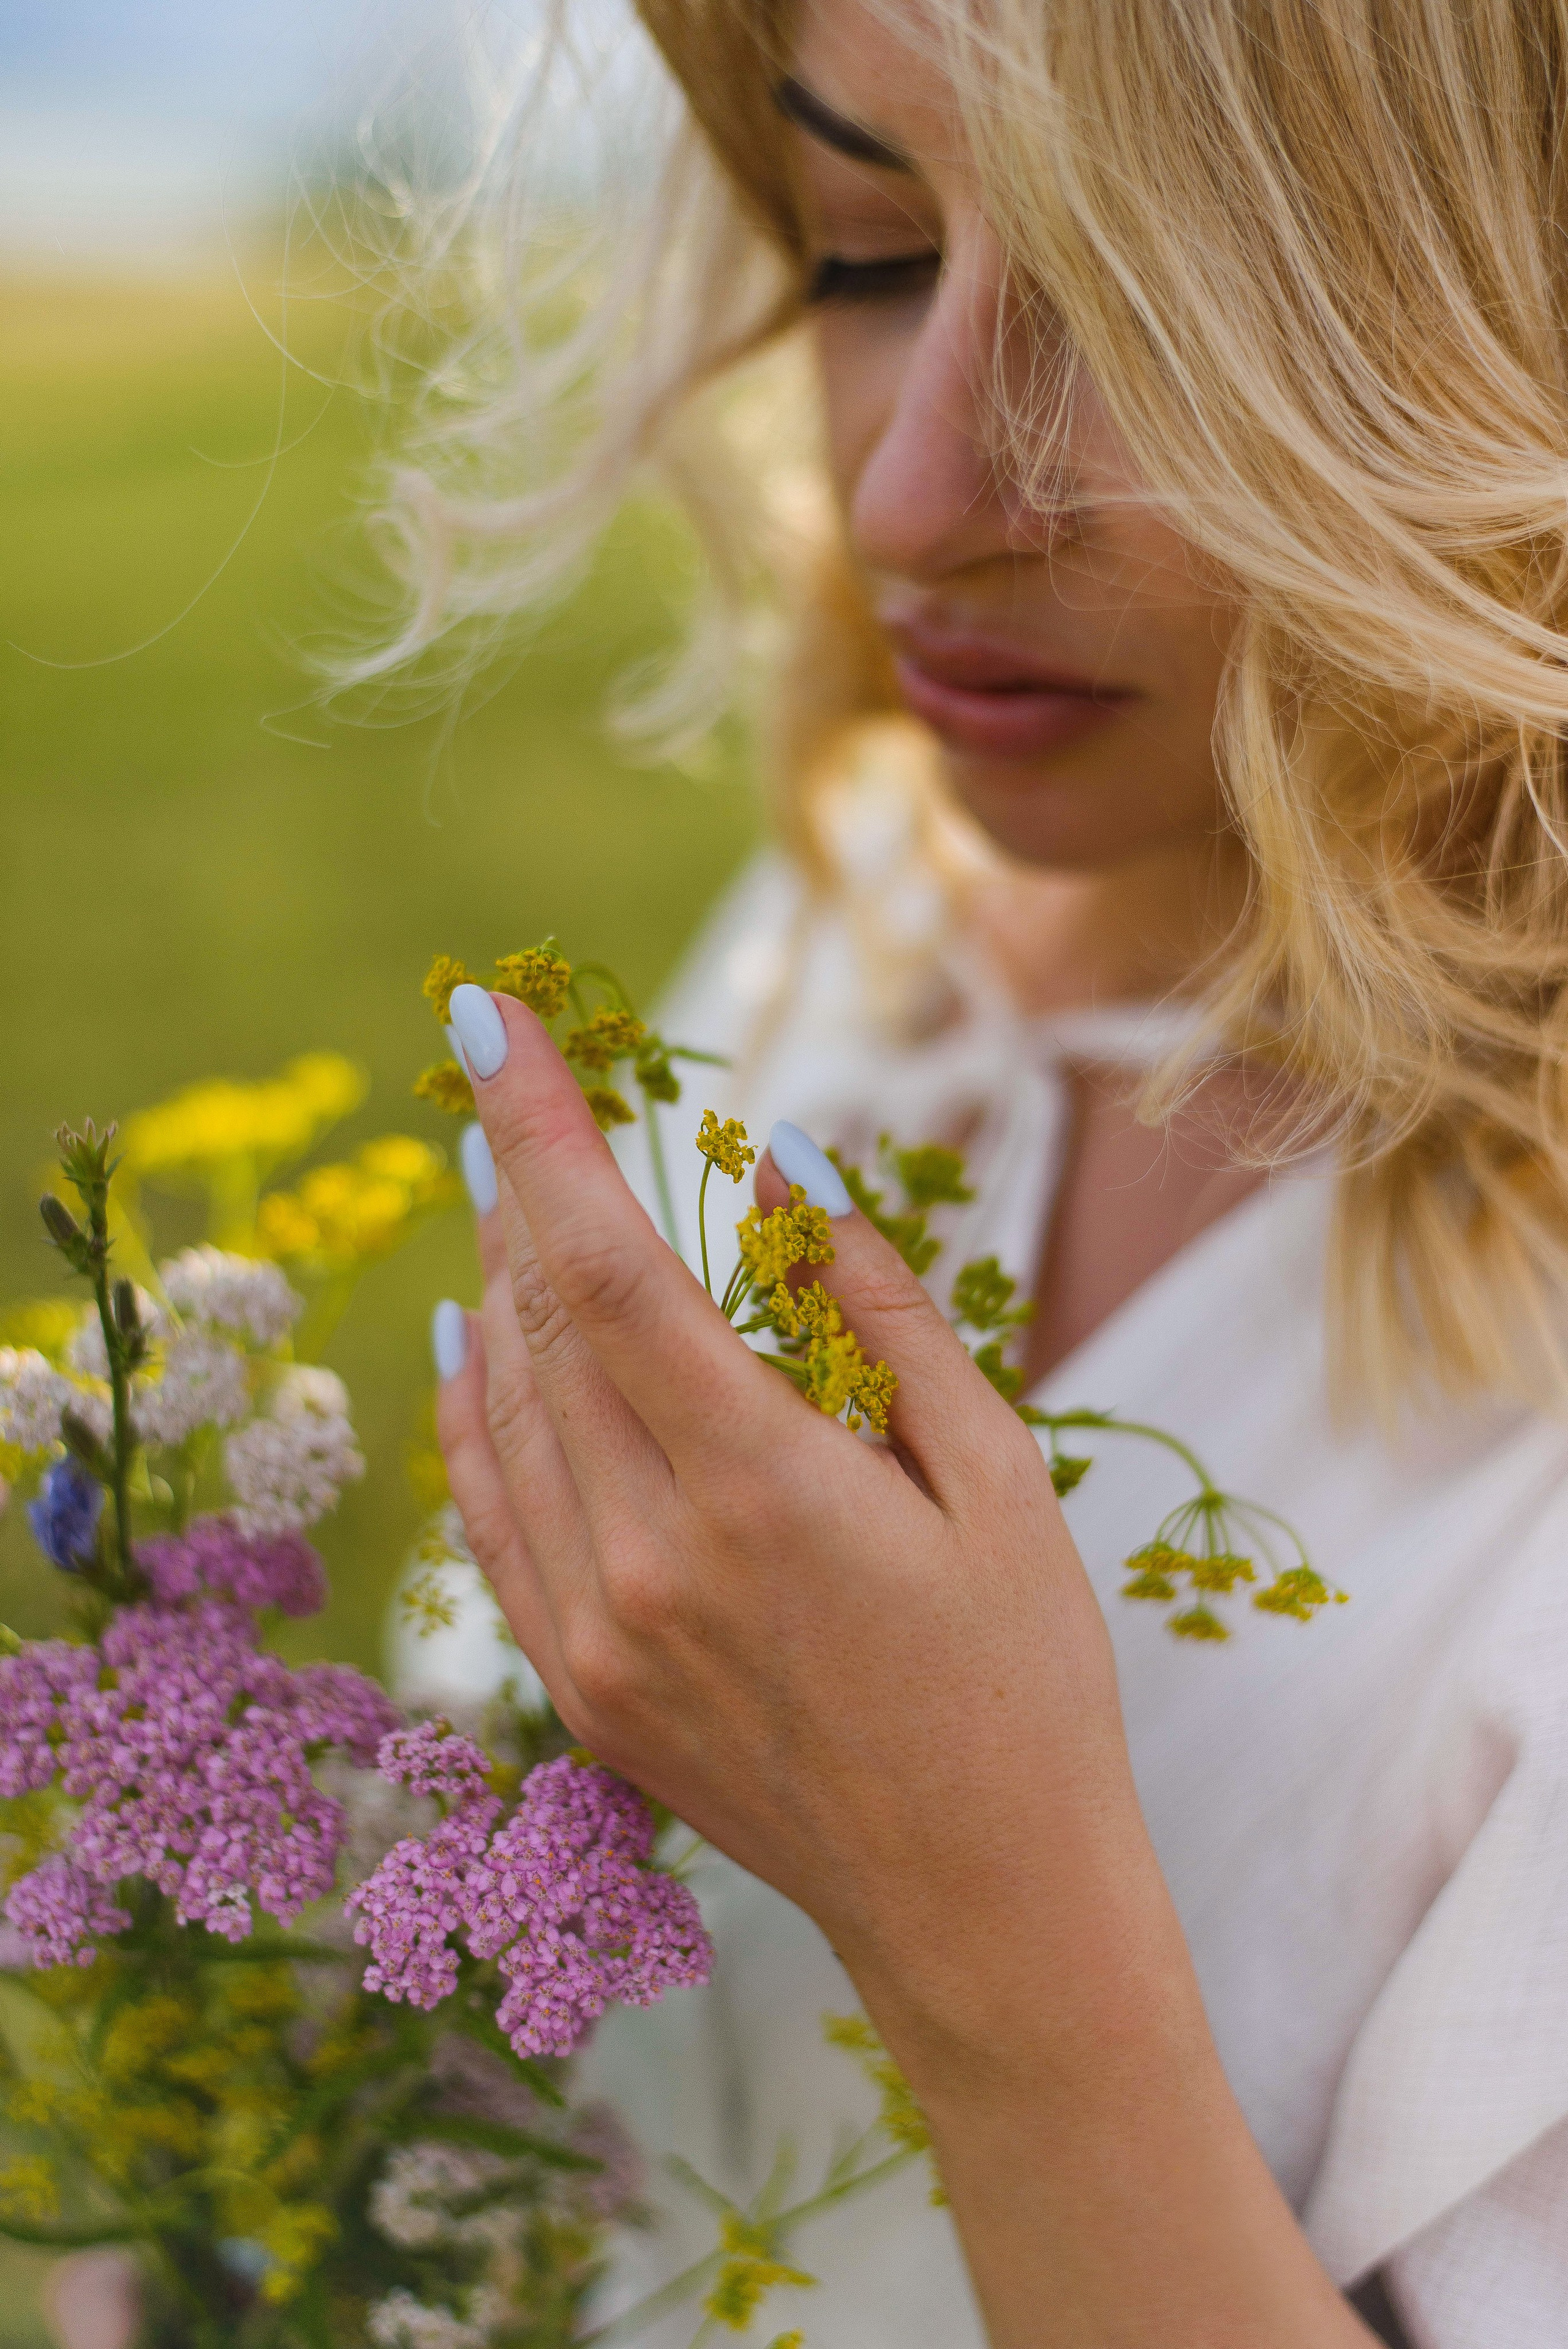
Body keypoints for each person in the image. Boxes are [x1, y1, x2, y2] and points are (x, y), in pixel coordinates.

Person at [384, 2, 1568, 2340]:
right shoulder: (864, 928)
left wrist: (996, 1940)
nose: (915, 493)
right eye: (865, 252)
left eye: (1152, 305)